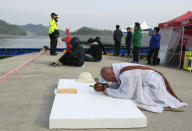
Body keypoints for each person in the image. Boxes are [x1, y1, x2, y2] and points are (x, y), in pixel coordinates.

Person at [95, 63, 187, 113]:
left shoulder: (127, 75)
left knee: (137, 98)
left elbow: (126, 94)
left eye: (108, 79)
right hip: (148, 78)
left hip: (153, 84)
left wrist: (107, 91)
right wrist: (108, 85)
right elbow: (118, 82)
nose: (111, 81)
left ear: (111, 73)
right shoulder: (117, 69)